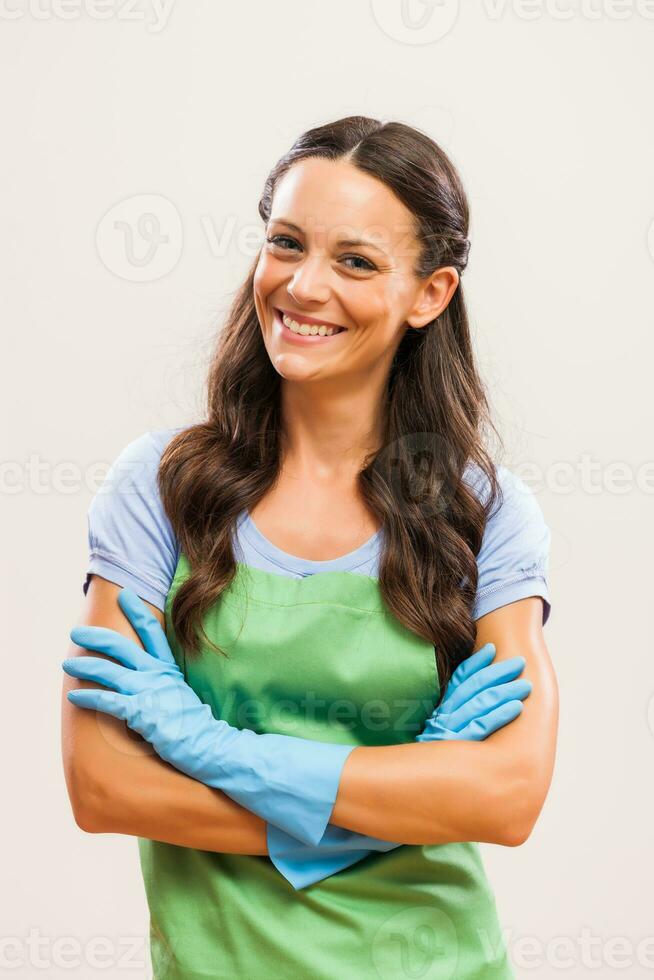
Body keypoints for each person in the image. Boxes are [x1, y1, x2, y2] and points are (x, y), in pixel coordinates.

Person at [61, 116, 558, 979]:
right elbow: (104, 786)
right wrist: (400, 793)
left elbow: (507, 797)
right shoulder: (159, 489)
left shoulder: (484, 513)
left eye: (356, 261)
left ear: (430, 293)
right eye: (285, 244)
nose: (302, 286)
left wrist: (206, 746)